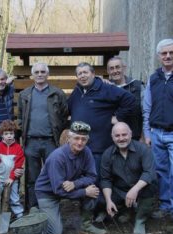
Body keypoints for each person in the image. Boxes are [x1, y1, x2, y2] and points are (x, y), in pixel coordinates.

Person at [35, 121, 106, 234]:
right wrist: (84, 192)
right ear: (69, 138)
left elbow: (92, 176)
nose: (80, 142)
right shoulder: (57, 157)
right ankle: (38, 213)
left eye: (83, 139)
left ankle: (86, 225)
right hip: (47, 193)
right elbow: (58, 190)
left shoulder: (86, 152)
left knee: (93, 190)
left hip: (68, 186)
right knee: (55, 233)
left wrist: (76, 184)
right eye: (76, 138)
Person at [68, 62, 136, 178]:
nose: (82, 76)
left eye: (85, 72)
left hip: (98, 148)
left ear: (93, 74)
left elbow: (130, 100)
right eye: (79, 74)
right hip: (80, 146)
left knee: (96, 179)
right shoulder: (77, 91)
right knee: (82, 180)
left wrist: (118, 117)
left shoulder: (106, 88)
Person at [18, 62, 68, 209]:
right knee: (32, 177)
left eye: (42, 72)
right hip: (31, 142)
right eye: (37, 72)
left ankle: (51, 206)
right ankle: (33, 207)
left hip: (50, 142)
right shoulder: (25, 94)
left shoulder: (57, 93)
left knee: (53, 175)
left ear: (47, 74)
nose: (40, 74)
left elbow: (64, 116)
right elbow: (20, 116)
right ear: (33, 75)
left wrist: (58, 132)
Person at [100, 122, 157, 234]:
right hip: (120, 190)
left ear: (130, 134)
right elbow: (105, 179)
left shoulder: (143, 149)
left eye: (124, 134)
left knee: (151, 185)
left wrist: (135, 189)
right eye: (117, 136)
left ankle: (140, 220)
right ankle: (125, 210)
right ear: (112, 137)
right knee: (101, 197)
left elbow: (149, 172)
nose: (121, 138)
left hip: (140, 189)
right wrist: (108, 200)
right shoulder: (107, 154)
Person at [143, 39, 173, 219]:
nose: (168, 56)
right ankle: (165, 206)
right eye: (164, 53)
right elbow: (147, 107)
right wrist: (147, 133)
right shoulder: (153, 78)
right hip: (156, 134)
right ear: (159, 56)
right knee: (161, 172)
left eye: (171, 53)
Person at [0, 120, 24, 219]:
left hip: (11, 178)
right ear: (1, 135)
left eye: (11, 133)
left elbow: (18, 165)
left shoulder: (18, 148)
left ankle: (19, 214)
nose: (9, 136)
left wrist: (12, 178)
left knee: (14, 197)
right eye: (6, 134)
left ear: (14, 134)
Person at [107, 56, 144, 140]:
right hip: (112, 138)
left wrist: (144, 135)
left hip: (135, 136)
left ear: (124, 68)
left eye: (117, 67)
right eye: (111, 68)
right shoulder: (105, 89)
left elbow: (145, 112)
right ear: (108, 71)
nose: (115, 71)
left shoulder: (138, 86)